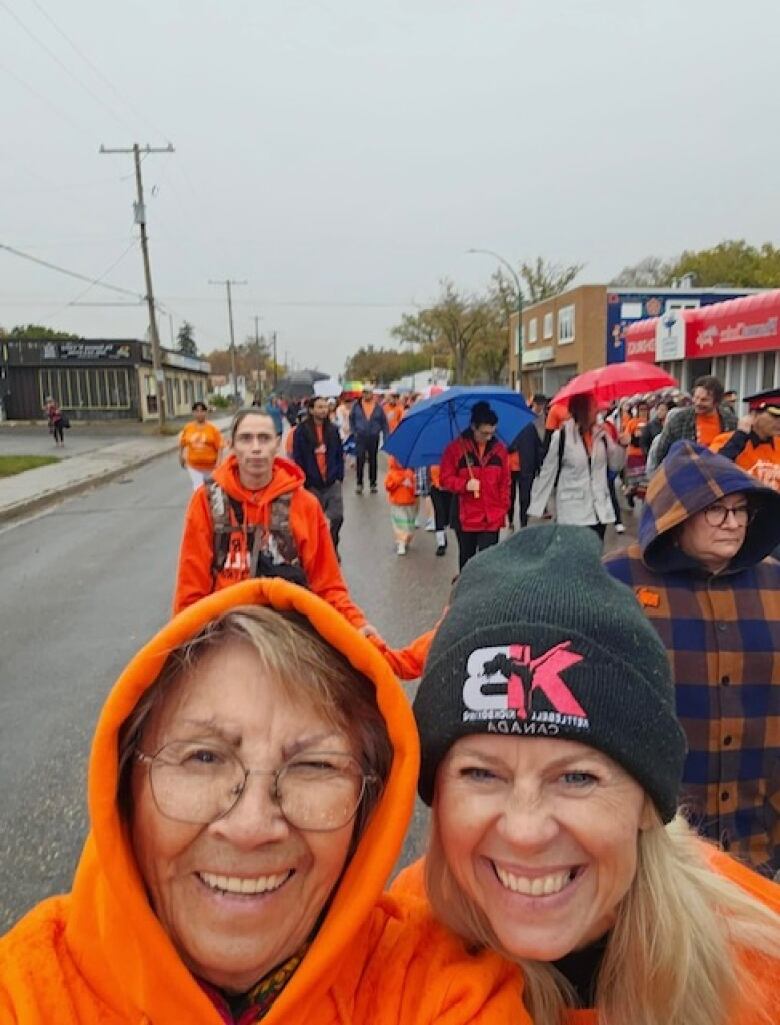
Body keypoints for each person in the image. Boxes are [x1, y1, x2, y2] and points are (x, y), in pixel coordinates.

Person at [0, 578, 516, 1023]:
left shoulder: (437, 991)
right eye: (204, 758)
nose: (250, 826)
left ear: (369, 811)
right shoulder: (26, 993)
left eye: (315, 766)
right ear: (125, 791)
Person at [403, 525, 780, 1025]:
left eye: (577, 778)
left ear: (649, 801)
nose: (525, 831)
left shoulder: (761, 968)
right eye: (481, 773)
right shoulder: (391, 953)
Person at [604, 440, 780, 877]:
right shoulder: (614, 581)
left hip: (757, 826)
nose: (732, 523)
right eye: (716, 510)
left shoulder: (776, 583)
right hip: (657, 835)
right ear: (674, 516)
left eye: (741, 510)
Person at [173, 410, 372, 638]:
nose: (256, 447)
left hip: (288, 634)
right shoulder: (206, 501)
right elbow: (191, 587)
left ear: (276, 444)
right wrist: (183, 643)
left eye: (264, 438)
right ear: (231, 445)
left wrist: (357, 625)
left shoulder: (305, 504)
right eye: (246, 438)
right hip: (226, 635)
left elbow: (327, 585)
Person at [528, 394, 625, 540]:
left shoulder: (602, 435)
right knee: (575, 558)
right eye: (593, 407)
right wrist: (536, 507)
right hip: (572, 512)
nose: (598, 410)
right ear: (581, 410)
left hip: (598, 511)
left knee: (593, 558)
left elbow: (616, 464)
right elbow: (548, 472)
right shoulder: (562, 437)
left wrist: (622, 446)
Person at [440, 401, 510, 571]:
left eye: (492, 433)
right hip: (466, 518)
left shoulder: (500, 450)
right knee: (467, 562)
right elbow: (444, 479)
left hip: (491, 518)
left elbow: (505, 483)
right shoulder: (455, 449)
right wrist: (464, 485)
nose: (488, 438)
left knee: (489, 564)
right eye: (484, 433)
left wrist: (502, 509)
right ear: (473, 427)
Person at [292, 395, 345, 550]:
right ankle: (317, 550)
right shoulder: (301, 431)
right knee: (314, 519)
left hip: (331, 481)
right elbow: (298, 457)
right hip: (311, 483)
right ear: (311, 410)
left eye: (325, 407)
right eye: (319, 407)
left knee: (337, 517)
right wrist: (304, 480)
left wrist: (339, 476)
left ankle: (332, 546)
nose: (323, 410)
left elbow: (339, 454)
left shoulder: (333, 430)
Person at [653, 374, 737, 466]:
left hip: (719, 475)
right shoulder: (680, 419)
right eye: (696, 397)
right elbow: (661, 452)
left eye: (704, 400)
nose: (697, 403)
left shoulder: (730, 422)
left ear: (716, 402)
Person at [710, 388, 780, 492]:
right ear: (753, 415)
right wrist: (740, 437)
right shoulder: (727, 440)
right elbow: (712, 470)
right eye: (775, 416)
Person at [507, 394, 546, 530]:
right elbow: (502, 446)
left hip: (526, 467)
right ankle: (510, 518)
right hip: (510, 469)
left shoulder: (530, 428)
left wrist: (539, 466)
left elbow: (538, 447)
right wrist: (512, 447)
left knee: (525, 497)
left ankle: (523, 523)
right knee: (510, 497)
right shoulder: (507, 428)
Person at [350, 384, 388, 494]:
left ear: (372, 394)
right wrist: (354, 432)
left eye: (369, 392)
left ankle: (373, 483)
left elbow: (384, 423)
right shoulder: (356, 406)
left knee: (373, 460)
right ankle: (359, 483)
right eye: (365, 392)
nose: (367, 394)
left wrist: (385, 436)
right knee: (360, 459)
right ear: (362, 394)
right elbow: (351, 419)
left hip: (373, 436)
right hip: (360, 436)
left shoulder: (378, 407)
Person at [178, 401, 225, 491]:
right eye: (197, 411)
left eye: (202, 411)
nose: (199, 414)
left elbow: (220, 447)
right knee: (199, 488)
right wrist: (181, 457)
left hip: (210, 467)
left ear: (206, 412)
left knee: (211, 490)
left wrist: (218, 463)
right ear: (193, 413)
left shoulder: (212, 429)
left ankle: (207, 504)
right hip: (194, 466)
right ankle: (200, 504)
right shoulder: (188, 428)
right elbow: (182, 443)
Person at [384, 456, 418, 556]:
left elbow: (415, 489)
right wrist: (399, 481)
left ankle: (406, 540)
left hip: (409, 503)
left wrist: (411, 486)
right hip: (397, 503)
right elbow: (388, 486)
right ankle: (401, 543)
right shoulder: (392, 473)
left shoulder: (410, 473)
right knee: (400, 524)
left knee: (409, 524)